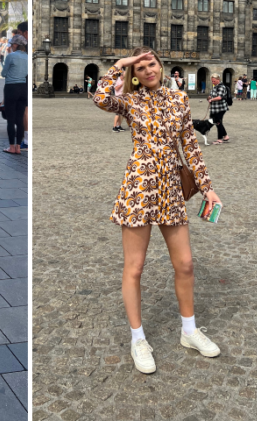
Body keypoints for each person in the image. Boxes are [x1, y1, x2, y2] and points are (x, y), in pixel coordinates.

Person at [92, 47, 223, 374]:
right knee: (134, 267)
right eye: (141, 67)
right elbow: (101, 98)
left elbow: (190, 148)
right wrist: (119, 65)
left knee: (186, 263)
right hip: (138, 186)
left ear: (161, 66)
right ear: (134, 74)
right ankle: (138, 339)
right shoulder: (130, 101)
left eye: (152, 63)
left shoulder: (179, 101)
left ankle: (189, 331)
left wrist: (207, 187)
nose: (148, 70)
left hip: (169, 188)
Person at [2, 36, 28, 154]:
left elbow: (3, 73)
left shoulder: (11, 56)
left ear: (16, 45)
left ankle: (11, 147)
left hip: (11, 87)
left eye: (12, 44)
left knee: (11, 119)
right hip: (23, 88)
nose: (11, 46)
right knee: (20, 119)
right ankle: (18, 147)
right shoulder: (27, 57)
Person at [207, 75, 230, 144]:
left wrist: (212, 99)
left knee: (218, 122)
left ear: (218, 80)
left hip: (221, 108)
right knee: (216, 122)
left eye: (214, 81)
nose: (213, 82)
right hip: (214, 108)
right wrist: (209, 97)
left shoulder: (222, 87)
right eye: (212, 81)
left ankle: (220, 139)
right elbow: (211, 94)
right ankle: (225, 136)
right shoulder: (215, 87)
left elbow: (220, 97)